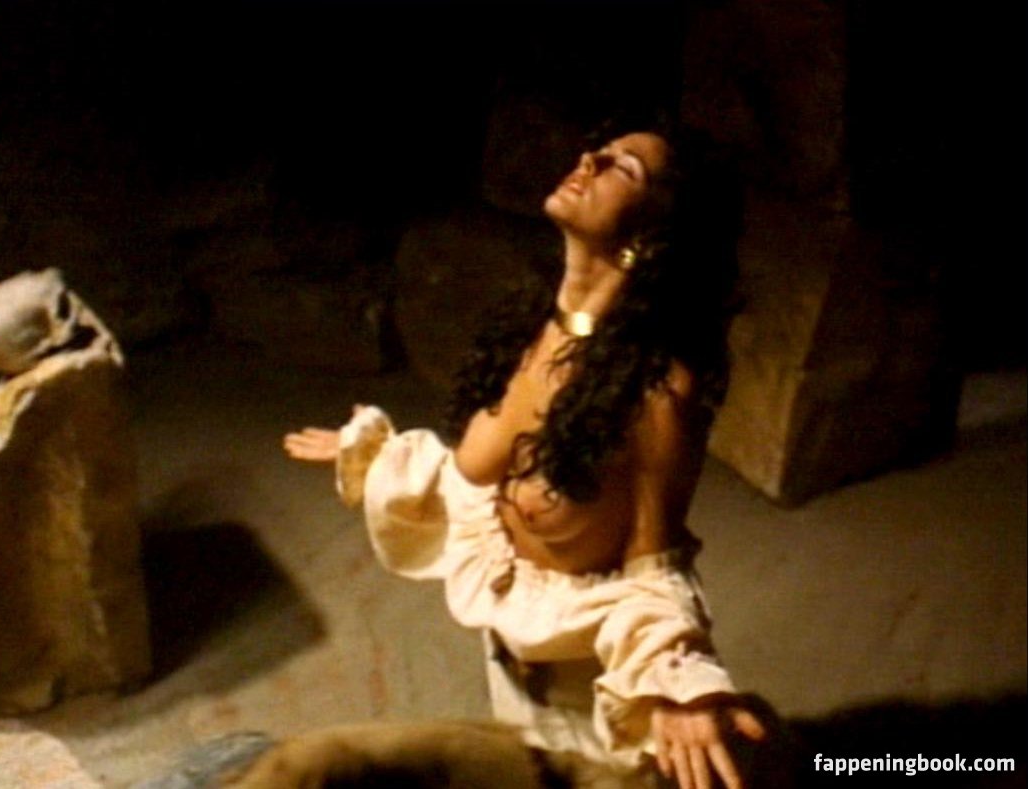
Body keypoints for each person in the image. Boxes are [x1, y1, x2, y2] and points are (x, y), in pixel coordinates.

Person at [284, 121, 769, 788]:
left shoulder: (656, 391)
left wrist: (679, 686)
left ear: (653, 234)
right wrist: (377, 458)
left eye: (623, 168)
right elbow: (474, 486)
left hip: (596, 713)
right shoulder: (537, 331)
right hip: (512, 684)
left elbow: (656, 567)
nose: (588, 159)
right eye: (600, 150)